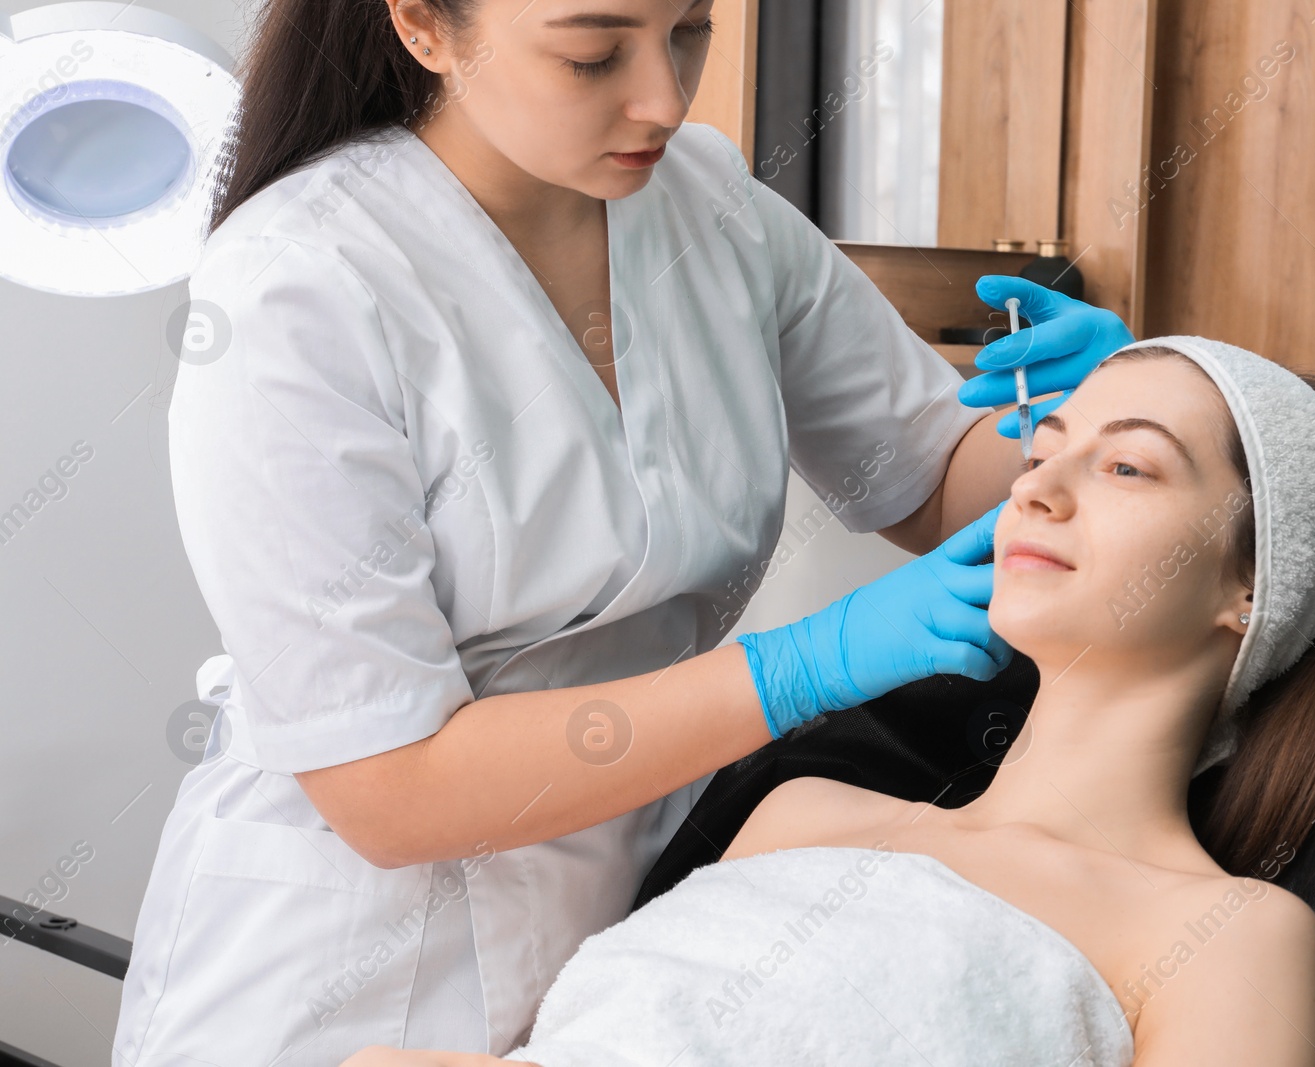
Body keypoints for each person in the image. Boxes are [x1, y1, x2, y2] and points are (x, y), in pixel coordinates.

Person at [111, 0, 1135, 1062]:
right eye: (592, 53)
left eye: (689, 31)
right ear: (422, 25)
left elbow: (928, 472)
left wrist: (1113, 419)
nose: (662, 98)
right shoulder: (298, 281)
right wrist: (796, 669)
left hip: (638, 932)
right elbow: (390, 788)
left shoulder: (710, 207)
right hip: (350, 967)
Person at [333, 337, 1315, 1067]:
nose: (1037, 488)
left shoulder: (1221, 937)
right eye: (1041, 450)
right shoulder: (804, 812)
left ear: (1254, 583)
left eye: (1127, 469)